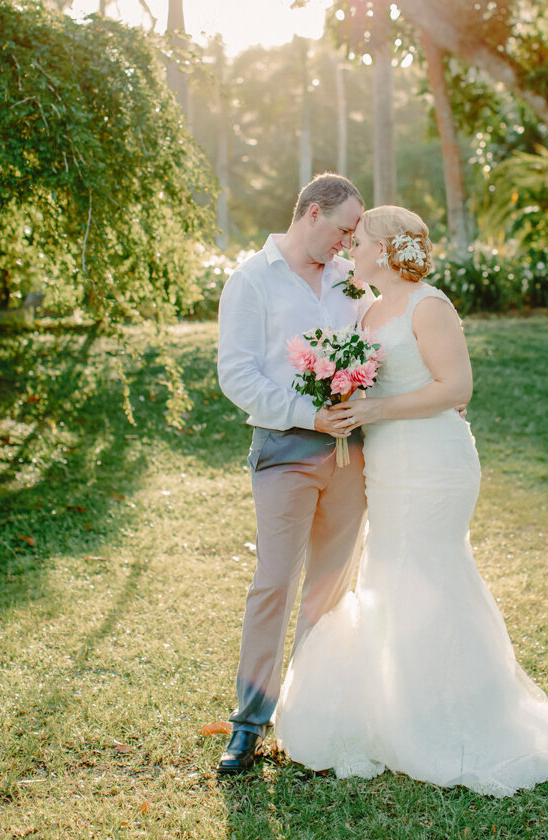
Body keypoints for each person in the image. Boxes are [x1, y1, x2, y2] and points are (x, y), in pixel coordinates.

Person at [274, 205, 548, 795]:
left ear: (388, 249)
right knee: (391, 573)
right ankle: (400, 705)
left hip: (436, 461)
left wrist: (374, 408)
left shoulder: (431, 305)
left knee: (432, 570)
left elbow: (456, 388)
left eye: (361, 241)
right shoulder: (370, 311)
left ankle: (453, 714)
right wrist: (345, 401)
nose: (352, 251)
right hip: (389, 463)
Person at [215, 173, 373, 776]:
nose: (348, 241)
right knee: (275, 584)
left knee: (329, 589)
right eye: (343, 228)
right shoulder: (251, 280)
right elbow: (238, 375)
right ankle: (249, 724)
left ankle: (310, 717)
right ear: (311, 213)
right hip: (284, 449)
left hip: (349, 455)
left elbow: (376, 345)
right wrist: (310, 411)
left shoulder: (349, 281)